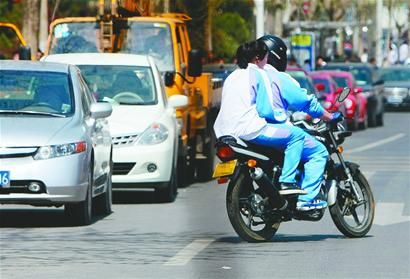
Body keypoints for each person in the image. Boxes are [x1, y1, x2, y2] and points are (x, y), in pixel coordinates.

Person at [256, 35, 338, 211]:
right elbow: (305, 102)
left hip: (246, 129)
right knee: (319, 152)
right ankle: (306, 198)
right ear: (277, 56)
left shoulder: (248, 75)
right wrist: (328, 116)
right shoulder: (277, 77)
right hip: (273, 130)